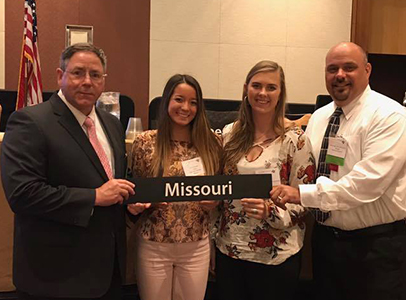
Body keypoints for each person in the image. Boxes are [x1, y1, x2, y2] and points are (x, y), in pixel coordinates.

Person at [271, 42, 406, 300]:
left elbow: (366, 184)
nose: (339, 75)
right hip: (327, 245)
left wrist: (299, 194)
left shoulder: (390, 115)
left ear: (367, 70)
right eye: (332, 69)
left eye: (349, 67)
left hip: (377, 249)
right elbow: (304, 168)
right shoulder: (319, 118)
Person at [1, 43, 135, 300]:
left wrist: (130, 205)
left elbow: (111, 183)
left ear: (103, 81)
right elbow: (22, 194)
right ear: (60, 76)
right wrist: (94, 196)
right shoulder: (30, 121)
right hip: (55, 276)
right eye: (78, 73)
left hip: (108, 274)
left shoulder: (112, 124)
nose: (87, 81)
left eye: (95, 75)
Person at [214, 60, 315, 300]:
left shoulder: (296, 140)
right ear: (246, 89)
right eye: (256, 86)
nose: (262, 93)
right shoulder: (228, 135)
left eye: (271, 87)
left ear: (281, 93)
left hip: (277, 256)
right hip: (230, 251)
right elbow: (217, 188)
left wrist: (270, 211)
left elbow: (306, 199)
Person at [127, 74, 222, 300]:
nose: (186, 107)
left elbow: (221, 190)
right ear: (167, 100)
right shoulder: (145, 142)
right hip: (153, 244)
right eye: (179, 99)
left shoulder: (213, 143)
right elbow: (136, 191)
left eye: (193, 102)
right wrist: (137, 204)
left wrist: (215, 201)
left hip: (196, 245)